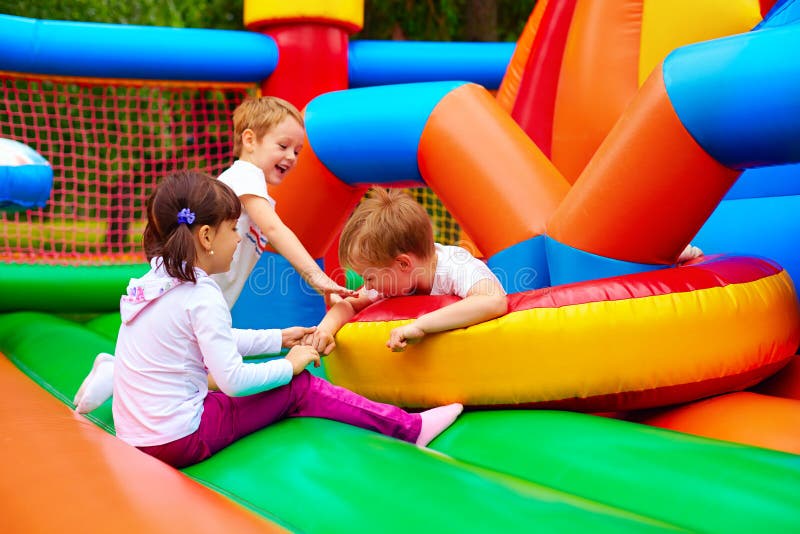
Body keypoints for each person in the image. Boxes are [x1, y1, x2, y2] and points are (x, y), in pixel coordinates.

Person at [109, 170, 462, 468]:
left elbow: (217, 338)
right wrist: (290, 366)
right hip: (179, 440)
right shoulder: (201, 294)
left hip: (138, 433)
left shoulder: (157, 281)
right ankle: (407, 428)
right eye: (234, 230)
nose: (239, 240)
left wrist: (279, 338)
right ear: (205, 236)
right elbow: (232, 380)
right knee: (298, 387)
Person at [74, 96, 355, 413]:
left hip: (201, 298)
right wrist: (318, 279)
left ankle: (118, 371)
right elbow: (276, 231)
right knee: (211, 374)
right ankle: (118, 373)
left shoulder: (249, 186)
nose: (291, 156)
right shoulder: (245, 177)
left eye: (297, 151)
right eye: (283, 145)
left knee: (202, 370)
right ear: (249, 139)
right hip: (195, 297)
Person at [306, 188, 508, 355]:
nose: (367, 286)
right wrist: (325, 330)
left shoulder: (456, 266)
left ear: (403, 264)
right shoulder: (393, 279)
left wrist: (422, 325)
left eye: (369, 278)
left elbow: (493, 300)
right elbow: (349, 305)